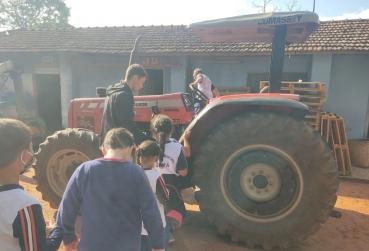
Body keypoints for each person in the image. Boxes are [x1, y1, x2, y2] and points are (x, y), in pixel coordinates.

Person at [56, 128, 165, 251]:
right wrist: (158, 245)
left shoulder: (84, 170)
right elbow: (151, 212)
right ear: (130, 149)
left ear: (104, 149)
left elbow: (66, 208)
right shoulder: (136, 173)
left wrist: (68, 237)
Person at [0, 118, 63, 251]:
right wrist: (57, 231)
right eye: (31, 147)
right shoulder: (25, 205)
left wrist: (36, 228)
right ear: (25, 155)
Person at [136, 140, 183, 251]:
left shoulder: (133, 173)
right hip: (155, 224)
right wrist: (172, 210)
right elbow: (165, 197)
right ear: (155, 158)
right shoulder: (157, 176)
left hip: (137, 224)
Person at [151, 115, 189, 246]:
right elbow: (183, 172)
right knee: (168, 210)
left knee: (155, 209)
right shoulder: (177, 147)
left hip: (153, 183)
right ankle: (168, 234)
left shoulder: (150, 146)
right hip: (170, 185)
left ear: (154, 131)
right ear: (171, 130)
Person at [100, 63, 153, 146]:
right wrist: (149, 140)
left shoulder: (113, 92)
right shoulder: (123, 96)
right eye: (142, 82)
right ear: (135, 78)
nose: (141, 86)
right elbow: (128, 127)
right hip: (117, 147)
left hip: (108, 143)